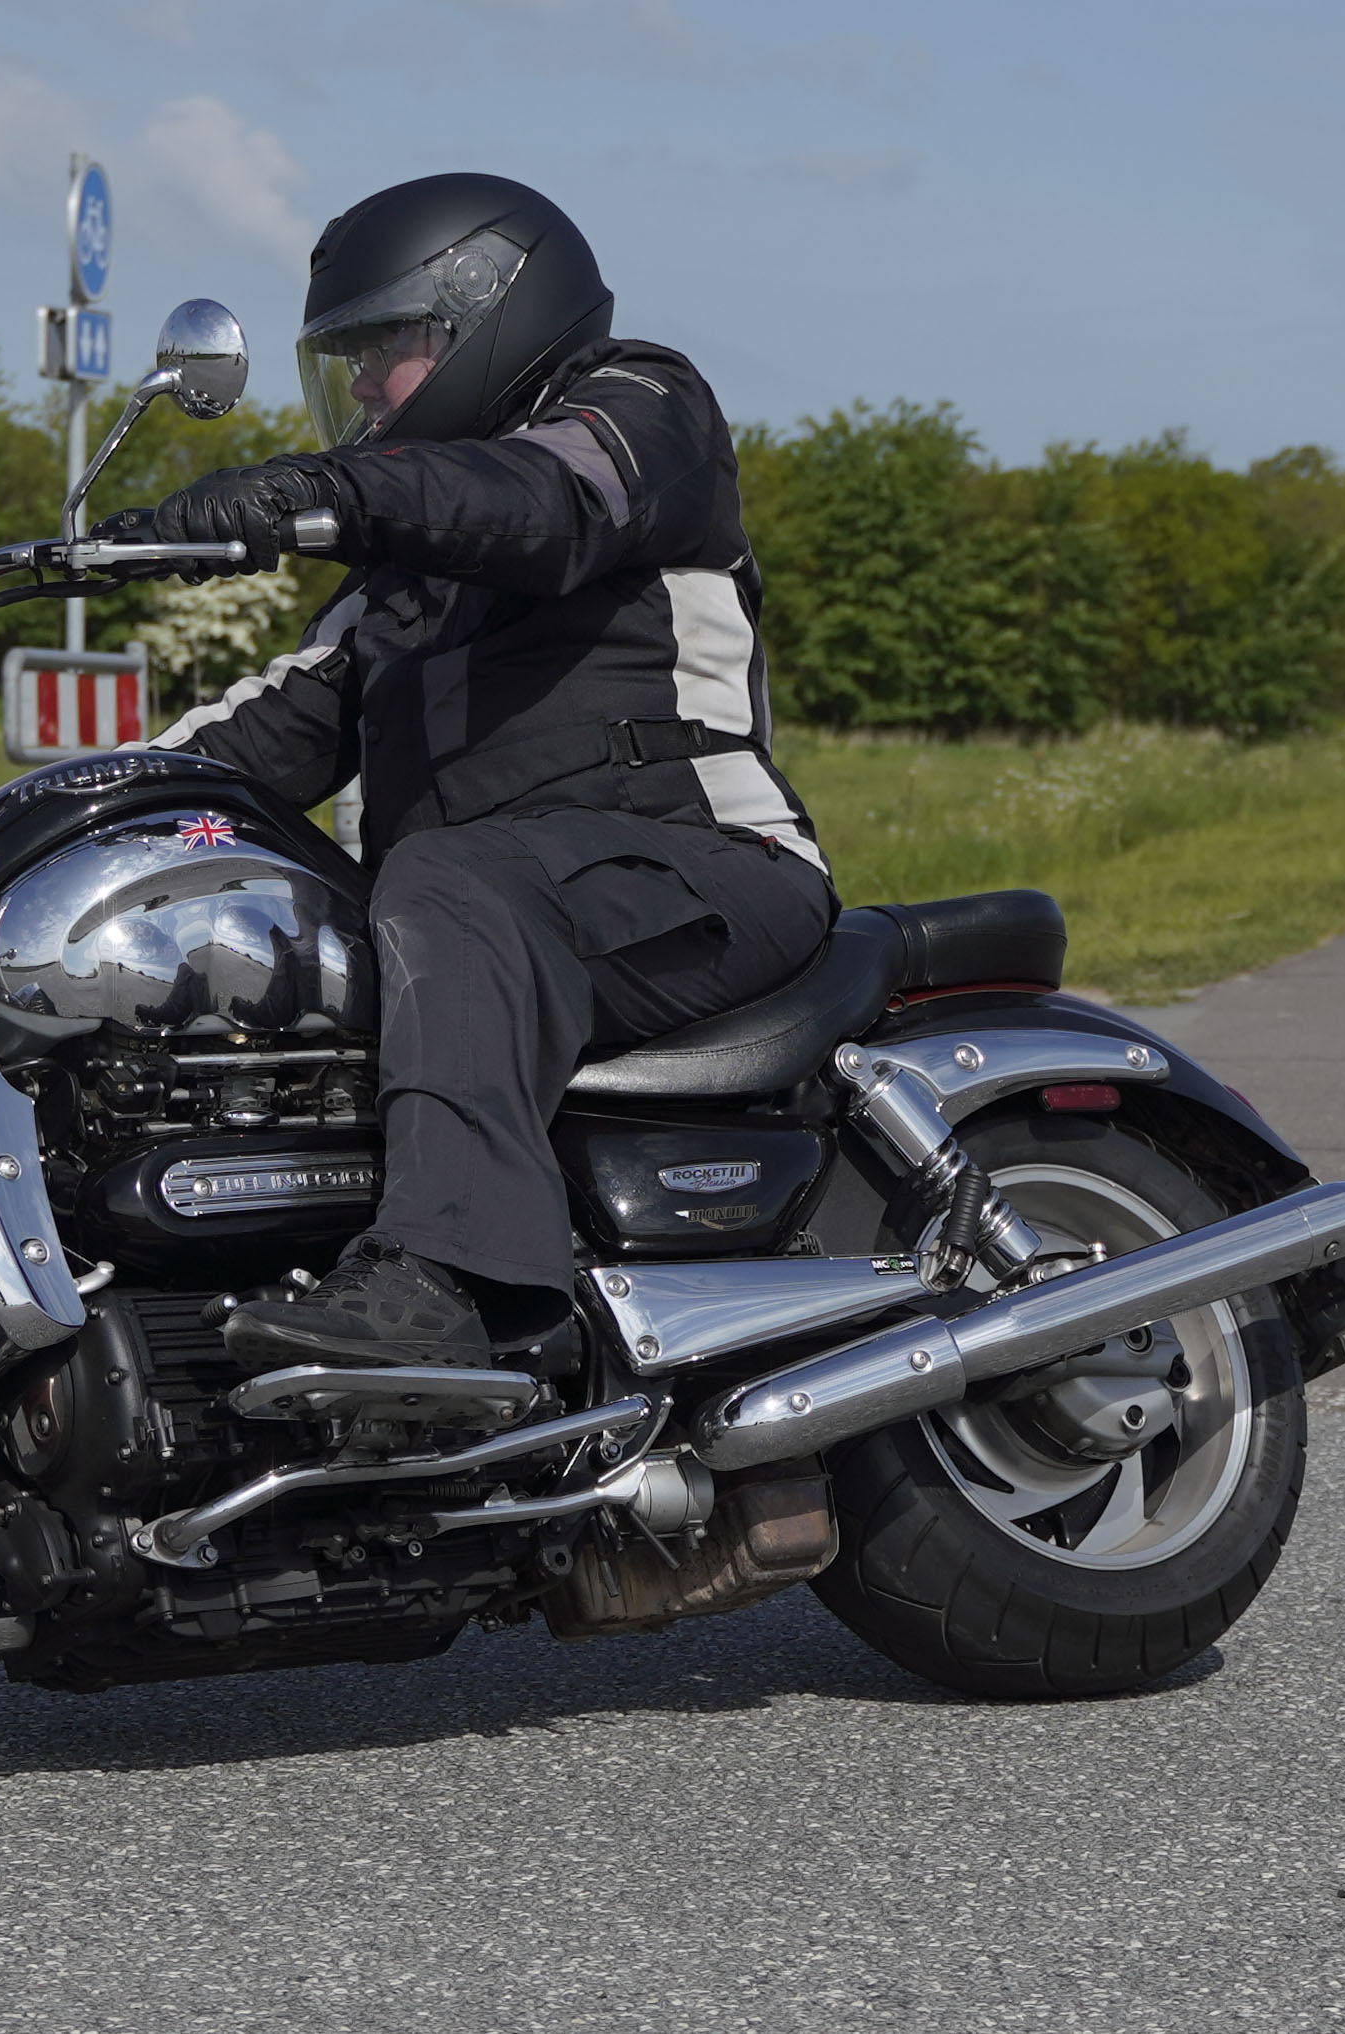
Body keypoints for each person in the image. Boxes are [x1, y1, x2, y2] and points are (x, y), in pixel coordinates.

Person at [104, 172, 838, 1371]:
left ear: (481, 317)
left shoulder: (640, 408)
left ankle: (448, 1284)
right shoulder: (403, 572)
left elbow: (544, 502)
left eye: (379, 348)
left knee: (445, 877)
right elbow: (260, 735)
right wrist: (30, 820)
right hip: (504, 904)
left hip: (706, 869)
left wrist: (316, 490)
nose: (357, 385)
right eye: (345, 357)